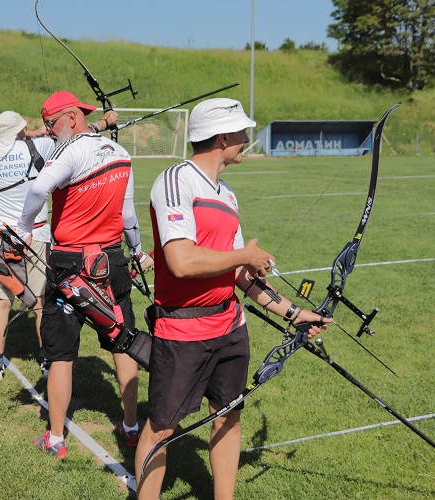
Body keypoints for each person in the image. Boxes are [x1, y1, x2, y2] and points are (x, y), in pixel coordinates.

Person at [135, 98, 331, 499]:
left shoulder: (227, 194)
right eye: (242, 132)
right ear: (222, 138)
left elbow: (240, 274)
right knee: (161, 429)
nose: (246, 138)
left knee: (227, 418)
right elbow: (181, 261)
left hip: (230, 328)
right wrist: (244, 256)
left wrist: (294, 313)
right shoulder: (176, 180)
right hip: (182, 331)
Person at [17, 91, 151, 457]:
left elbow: (39, 187)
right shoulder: (120, 153)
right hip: (112, 260)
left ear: (72, 118)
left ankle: (56, 438)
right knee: (123, 341)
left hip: (70, 263)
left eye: (51, 123)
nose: (48, 130)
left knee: (61, 352)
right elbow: (128, 215)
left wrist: (23, 227)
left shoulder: (70, 150)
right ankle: (131, 426)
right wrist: (137, 250)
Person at [0, 111, 56, 379]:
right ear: (19, 132)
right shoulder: (37, 146)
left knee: (1, 303)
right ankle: (46, 361)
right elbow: (64, 138)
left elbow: (3, 138)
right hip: (35, 235)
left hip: (1, 238)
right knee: (40, 302)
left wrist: (24, 133)